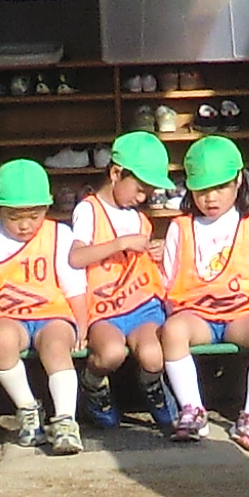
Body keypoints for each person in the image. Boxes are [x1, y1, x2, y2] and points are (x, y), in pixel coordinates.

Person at [161, 135, 249, 448]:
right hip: (196, 314)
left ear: (238, 181)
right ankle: (192, 408)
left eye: (220, 187)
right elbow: (168, 275)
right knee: (173, 331)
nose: (211, 198)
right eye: (202, 190)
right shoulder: (180, 227)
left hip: (242, 313)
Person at [0, 158, 90, 455]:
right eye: (14, 217)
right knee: (1, 339)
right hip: (7, 314)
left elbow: (74, 286)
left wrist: (82, 325)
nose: (25, 225)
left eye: (34, 216)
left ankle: (65, 420)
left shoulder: (59, 234)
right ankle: (27, 407)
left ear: (46, 208)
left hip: (52, 312)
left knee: (56, 345)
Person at [67, 131, 177, 434]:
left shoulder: (138, 217)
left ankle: (154, 389)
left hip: (141, 305)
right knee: (110, 353)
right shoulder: (89, 210)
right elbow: (76, 257)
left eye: (148, 193)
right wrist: (120, 243)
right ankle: (93, 387)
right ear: (116, 174)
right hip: (104, 308)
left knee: (153, 355)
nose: (142, 199)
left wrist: (155, 252)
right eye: (140, 190)